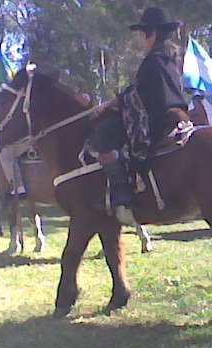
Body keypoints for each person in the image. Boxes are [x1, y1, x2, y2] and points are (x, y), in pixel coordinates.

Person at [87, 7, 187, 225]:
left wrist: (119, 102)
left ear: (151, 33)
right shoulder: (171, 57)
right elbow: (143, 88)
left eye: (144, 34)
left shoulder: (153, 59)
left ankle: (121, 190)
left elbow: (140, 95)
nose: (142, 39)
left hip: (155, 116)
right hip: (176, 112)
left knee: (103, 132)